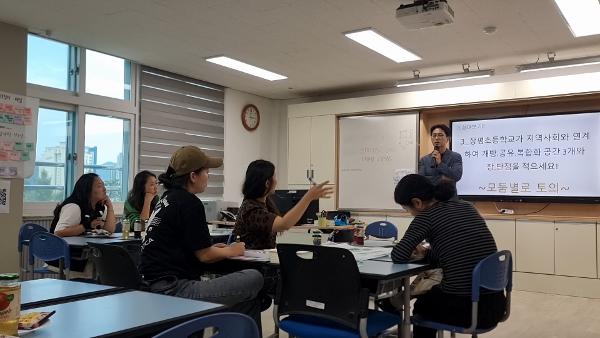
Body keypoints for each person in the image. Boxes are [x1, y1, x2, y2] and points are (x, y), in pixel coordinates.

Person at [139, 146, 264, 329]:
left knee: (249, 300)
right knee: (254, 278)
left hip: (150, 287)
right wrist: (232, 249)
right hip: (175, 290)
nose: (208, 175)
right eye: (206, 171)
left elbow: (188, 246)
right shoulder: (190, 203)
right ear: (193, 176)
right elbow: (205, 256)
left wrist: (217, 249)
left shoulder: (167, 199)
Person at [390, 174, 505, 338]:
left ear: (417, 202)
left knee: (422, 306)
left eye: (407, 209)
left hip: (468, 310)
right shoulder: (467, 206)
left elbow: (398, 255)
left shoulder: (425, 217)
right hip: (495, 305)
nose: (409, 213)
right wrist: (428, 253)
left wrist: (418, 252)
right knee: (431, 296)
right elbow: (458, 250)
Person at [233, 159, 333, 249]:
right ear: (267, 183)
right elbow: (284, 224)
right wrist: (308, 197)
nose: (276, 181)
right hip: (251, 266)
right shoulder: (250, 209)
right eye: (274, 177)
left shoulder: (266, 203)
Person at [50, 173, 116, 275]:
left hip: (82, 254)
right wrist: (86, 225)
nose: (104, 189)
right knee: (106, 266)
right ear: (88, 190)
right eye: (99, 186)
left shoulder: (99, 207)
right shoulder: (74, 206)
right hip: (61, 257)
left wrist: (110, 207)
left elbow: (109, 230)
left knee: (110, 263)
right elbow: (58, 232)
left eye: (103, 185)